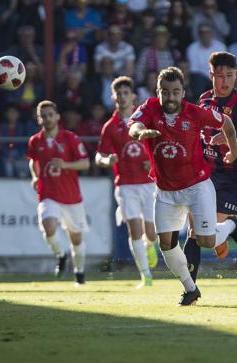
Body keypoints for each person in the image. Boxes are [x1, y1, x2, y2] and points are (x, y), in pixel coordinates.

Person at [128, 66, 237, 306]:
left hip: (197, 187)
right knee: (165, 244)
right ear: (158, 91)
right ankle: (190, 289)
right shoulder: (150, 108)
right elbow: (133, 126)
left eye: (175, 92)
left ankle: (230, 226)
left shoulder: (195, 113)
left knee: (207, 241)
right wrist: (140, 133)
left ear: (183, 92)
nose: (170, 97)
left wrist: (233, 150)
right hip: (165, 191)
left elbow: (226, 122)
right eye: (165, 92)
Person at [184, 52, 237, 283]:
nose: (224, 81)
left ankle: (229, 225)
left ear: (235, 76)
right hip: (202, 176)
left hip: (229, 178)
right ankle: (190, 289)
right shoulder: (204, 100)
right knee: (193, 233)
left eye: (229, 75)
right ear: (211, 76)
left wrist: (230, 141)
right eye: (219, 76)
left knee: (209, 235)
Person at [96, 76, 157, 288]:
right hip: (125, 185)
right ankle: (145, 275)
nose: (122, 97)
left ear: (133, 96)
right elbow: (99, 155)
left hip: (149, 183)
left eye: (126, 93)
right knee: (134, 230)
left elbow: (158, 145)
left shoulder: (144, 120)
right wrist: (106, 160)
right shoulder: (110, 126)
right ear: (113, 97)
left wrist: (153, 163)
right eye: (118, 93)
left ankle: (151, 246)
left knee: (151, 232)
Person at [27, 100, 90, 286]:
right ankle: (60, 255)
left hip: (71, 197)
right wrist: (35, 176)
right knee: (48, 225)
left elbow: (85, 163)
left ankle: (79, 272)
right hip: (48, 193)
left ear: (57, 117)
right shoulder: (35, 141)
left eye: (50, 115)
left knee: (76, 239)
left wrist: (66, 165)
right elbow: (33, 161)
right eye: (43, 116)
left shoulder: (70, 138)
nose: (47, 118)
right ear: (39, 119)